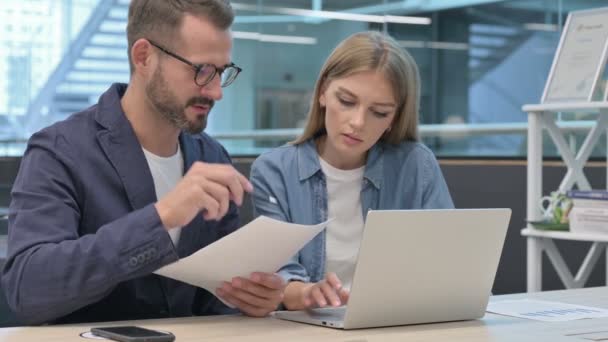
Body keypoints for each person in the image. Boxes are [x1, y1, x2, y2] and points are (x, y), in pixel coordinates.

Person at [1, 0, 285, 325]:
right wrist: (161, 217)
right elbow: (28, 290)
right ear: (144, 57)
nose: (217, 92)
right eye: (202, 71)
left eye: (221, 72)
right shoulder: (60, 151)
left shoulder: (212, 157)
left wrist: (249, 299)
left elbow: (212, 305)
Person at [250, 31, 454, 311]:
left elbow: (448, 268)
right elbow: (280, 277)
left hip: (397, 325)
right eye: (346, 101)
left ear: (394, 118)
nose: (358, 122)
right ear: (322, 92)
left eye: (379, 112)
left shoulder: (417, 166)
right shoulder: (275, 171)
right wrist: (308, 293)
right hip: (308, 329)